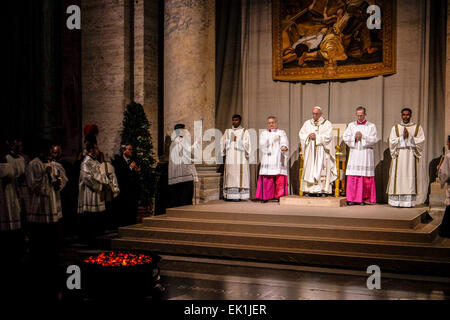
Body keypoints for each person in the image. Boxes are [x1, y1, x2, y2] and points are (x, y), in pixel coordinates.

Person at [25, 139, 67, 301]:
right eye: (48, 149)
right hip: (39, 208)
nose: (51, 152)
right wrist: (45, 174)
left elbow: (61, 181)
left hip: (52, 208)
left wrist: (57, 182)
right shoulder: (33, 165)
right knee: (39, 244)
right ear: (41, 150)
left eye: (51, 150)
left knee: (52, 243)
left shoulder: (55, 165)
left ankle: (52, 262)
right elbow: (33, 186)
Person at [387, 108, 425, 208]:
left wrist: (410, 138)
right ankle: (397, 202)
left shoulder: (417, 128)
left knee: (409, 177)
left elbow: (421, 141)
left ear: (411, 115)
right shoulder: (395, 128)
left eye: (407, 115)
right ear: (401, 115)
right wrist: (402, 138)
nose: (405, 117)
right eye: (403, 115)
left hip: (410, 157)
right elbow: (391, 142)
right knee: (398, 177)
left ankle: (408, 202)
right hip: (399, 156)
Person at [343, 106, 379, 205]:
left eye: (361, 115)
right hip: (355, 153)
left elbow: (375, 139)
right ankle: (352, 198)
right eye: (358, 115)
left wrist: (363, 137)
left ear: (365, 115)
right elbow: (345, 137)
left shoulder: (371, 126)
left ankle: (363, 198)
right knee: (353, 175)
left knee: (364, 176)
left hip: (365, 153)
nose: (359, 117)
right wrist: (354, 137)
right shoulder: (351, 125)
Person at [299, 106, 337, 196]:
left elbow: (329, 136)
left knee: (322, 170)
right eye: (313, 113)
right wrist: (309, 136)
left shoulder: (327, 124)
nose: (314, 115)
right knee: (310, 169)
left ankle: (323, 190)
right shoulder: (307, 123)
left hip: (323, 151)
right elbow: (301, 134)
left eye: (316, 114)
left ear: (321, 114)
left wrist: (317, 137)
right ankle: (310, 190)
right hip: (310, 151)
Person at [77, 142, 110, 245]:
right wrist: (99, 186)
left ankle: (96, 237)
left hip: (96, 193)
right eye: (95, 148)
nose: (97, 150)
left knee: (96, 216)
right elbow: (87, 178)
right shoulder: (86, 162)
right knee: (89, 216)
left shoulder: (95, 161)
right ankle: (88, 239)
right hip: (89, 192)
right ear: (90, 150)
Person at [255, 116, 289, 203]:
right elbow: (262, 144)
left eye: (272, 122)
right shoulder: (264, 133)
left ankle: (280, 196)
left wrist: (284, 146)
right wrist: (273, 141)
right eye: (269, 123)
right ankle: (266, 196)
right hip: (268, 157)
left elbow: (284, 141)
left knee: (279, 177)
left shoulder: (281, 132)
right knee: (267, 178)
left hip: (278, 157)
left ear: (276, 123)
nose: (271, 124)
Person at [220, 114, 251, 201]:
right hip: (230, 157)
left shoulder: (245, 131)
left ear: (240, 121)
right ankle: (230, 196)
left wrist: (236, 140)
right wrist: (228, 141)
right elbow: (222, 143)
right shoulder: (227, 131)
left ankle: (240, 196)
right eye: (233, 120)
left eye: (236, 120)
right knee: (230, 175)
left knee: (239, 175)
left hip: (240, 157)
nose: (234, 122)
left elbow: (247, 144)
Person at [168, 124, 200, 207]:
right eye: (182, 130)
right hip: (183, 174)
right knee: (184, 198)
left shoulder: (176, 142)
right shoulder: (177, 142)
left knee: (182, 198)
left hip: (180, 174)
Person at [112, 144, 140, 226]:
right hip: (124, 189)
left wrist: (137, 171)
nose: (131, 151)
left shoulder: (132, 160)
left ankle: (132, 224)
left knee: (132, 208)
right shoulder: (118, 161)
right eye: (129, 149)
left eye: (132, 149)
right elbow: (120, 174)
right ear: (124, 151)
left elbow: (134, 174)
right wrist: (130, 168)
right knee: (125, 209)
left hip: (132, 189)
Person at [437, 135, 450, 237]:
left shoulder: (448, 156)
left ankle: (445, 231)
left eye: (448, 142)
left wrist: (439, 169)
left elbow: (445, 173)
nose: (447, 144)